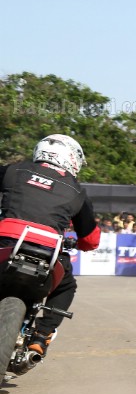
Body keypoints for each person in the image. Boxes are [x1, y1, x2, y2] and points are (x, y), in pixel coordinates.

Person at [0, 134, 100, 359]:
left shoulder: (13, 170)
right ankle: (41, 335)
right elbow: (91, 239)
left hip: (6, 242)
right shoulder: (77, 191)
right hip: (48, 251)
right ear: (72, 159)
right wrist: (82, 244)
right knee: (67, 286)